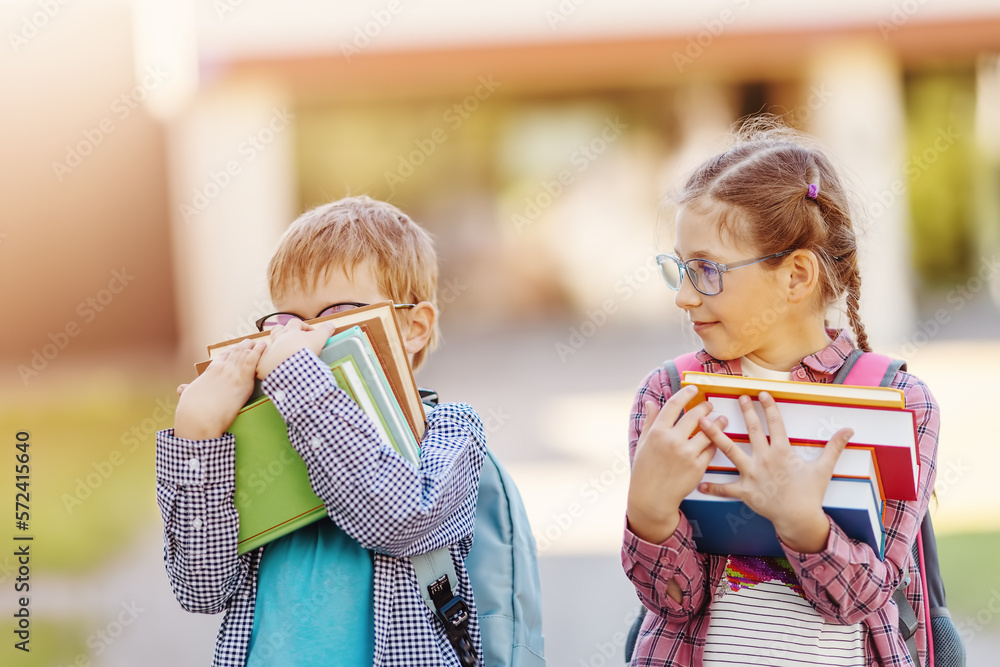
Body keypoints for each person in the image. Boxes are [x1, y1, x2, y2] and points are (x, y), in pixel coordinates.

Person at [622, 121, 939, 666]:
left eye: (705, 270)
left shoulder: (899, 404)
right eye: (679, 268)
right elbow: (673, 602)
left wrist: (801, 522)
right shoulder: (671, 397)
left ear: (795, 277)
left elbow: (864, 598)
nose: (683, 296)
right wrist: (647, 514)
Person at [156, 196, 487, 666]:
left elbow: (396, 520)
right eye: (287, 322)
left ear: (414, 326)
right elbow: (200, 587)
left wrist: (296, 377)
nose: (301, 339)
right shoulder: (266, 435)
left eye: (336, 314)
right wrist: (197, 437)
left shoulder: (450, 432)